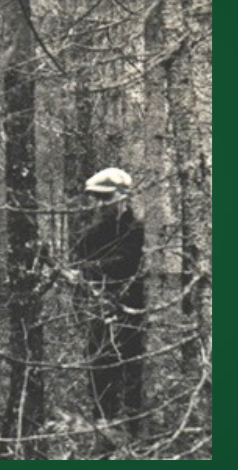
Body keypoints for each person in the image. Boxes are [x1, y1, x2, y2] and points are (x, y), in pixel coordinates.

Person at [73, 167, 147, 432]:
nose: (101, 204)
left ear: (124, 197)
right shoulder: (94, 234)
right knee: (99, 371)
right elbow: (76, 260)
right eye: (98, 199)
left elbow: (125, 261)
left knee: (132, 376)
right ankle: (105, 431)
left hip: (133, 315)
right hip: (100, 315)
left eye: (107, 198)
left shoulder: (137, 230)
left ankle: (133, 435)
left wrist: (91, 268)